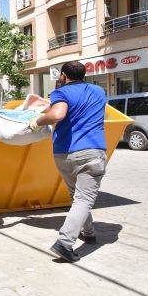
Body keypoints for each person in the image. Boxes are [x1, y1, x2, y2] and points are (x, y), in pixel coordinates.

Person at [30, 61, 107, 262]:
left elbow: (58, 114)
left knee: (78, 197)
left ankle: (89, 232)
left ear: (63, 75)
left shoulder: (61, 93)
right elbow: (60, 112)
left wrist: (36, 121)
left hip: (64, 154)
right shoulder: (99, 91)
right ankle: (65, 243)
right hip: (91, 151)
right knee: (84, 198)